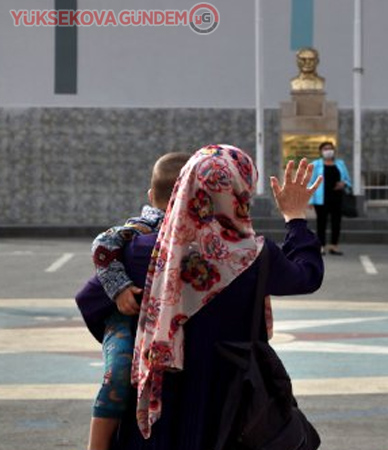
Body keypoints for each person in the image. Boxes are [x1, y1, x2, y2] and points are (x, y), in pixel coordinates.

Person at [76, 146, 324, 450]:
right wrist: (295, 217)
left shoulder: (142, 251)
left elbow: (90, 299)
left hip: (157, 415)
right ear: (239, 191)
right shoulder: (255, 257)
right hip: (231, 409)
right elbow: (307, 275)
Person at [85, 152, 191, 450]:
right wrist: (119, 288)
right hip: (125, 317)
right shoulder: (144, 226)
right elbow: (103, 244)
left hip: (158, 319)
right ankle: (97, 444)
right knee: (118, 372)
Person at [309, 141, 352, 255]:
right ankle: (321, 246)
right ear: (321, 151)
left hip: (337, 198)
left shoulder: (340, 164)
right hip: (321, 199)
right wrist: (310, 200)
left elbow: (348, 180)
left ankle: (334, 246)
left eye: (331, 148)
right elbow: (311, 183)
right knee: (321, 223)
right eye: (326, 148)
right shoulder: (316, 164)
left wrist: (344, 184)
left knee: (336, 222)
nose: (329, 151)